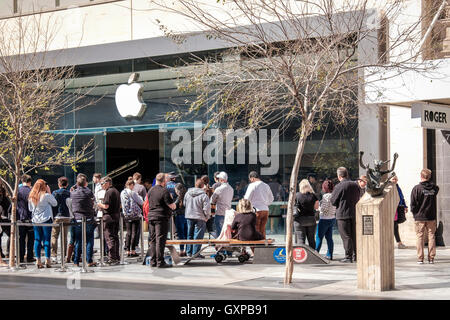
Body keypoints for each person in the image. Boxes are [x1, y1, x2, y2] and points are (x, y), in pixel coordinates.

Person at [330, 167, 361, 263]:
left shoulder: (339, 186)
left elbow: (333, 201)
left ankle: (348, 256)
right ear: (347, 174)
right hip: (354, 212)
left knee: (346, 236)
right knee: (354, 235)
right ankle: (356, 256)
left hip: (343, 214)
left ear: (339, 176)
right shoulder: (356, 185)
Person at [411, 169, 439, 264]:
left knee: (420, 237)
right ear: (429, 177)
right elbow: (437, 188)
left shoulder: (416, 188)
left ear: (421, 176)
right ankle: (431, 258)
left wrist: (415, 214)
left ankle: (420, 258)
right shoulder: (434, 188)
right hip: (431, 217)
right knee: (431, 236)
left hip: (420, 217)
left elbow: (413, 204)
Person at [147, 173, 176, 268]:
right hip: (161, 217)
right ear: (164, 181)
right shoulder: (164, 191)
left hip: (151, 216)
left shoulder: (150, 190)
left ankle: (153, 261)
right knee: (160, 240)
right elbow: (172, 206)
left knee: (153, 240)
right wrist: (173, 200)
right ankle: (160, 261)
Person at [28, 179, 57, 268]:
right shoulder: (46, 195)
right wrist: (49, 192)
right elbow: (55, 203)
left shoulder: (31, 196)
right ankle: (47, 260)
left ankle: (38, 260)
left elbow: (30, 209)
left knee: (37, 240)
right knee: (46, 240)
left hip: (35, 220)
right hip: (46, 219)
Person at [70, 174, 97, 267]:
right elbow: (93, 203)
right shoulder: (89, 192)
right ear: (85, 183)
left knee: (78, 241)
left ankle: (76, 261)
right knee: (89, 240)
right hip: (88, 218)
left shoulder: (73, 193)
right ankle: (89, 260)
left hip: (77, 218)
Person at [184, 178, 211, 258]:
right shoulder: (204, 195)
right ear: (203, 186)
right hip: (200, 217)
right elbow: (206, 209)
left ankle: (189, 252)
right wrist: (207, 217)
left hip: (189, 216)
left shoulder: (187, 193)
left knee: (189, 235)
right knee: (198, 236)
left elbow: (185, 204)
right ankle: (195, 253)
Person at [97, 176, 121, 265]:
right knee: (115, 237)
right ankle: (116, 256)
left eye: (102, 184)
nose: (101, 186)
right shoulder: (116, 191)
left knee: (109, 237)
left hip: (109, 217)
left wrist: (99, 204)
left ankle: (112, 257)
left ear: (107, 183)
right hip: (116, 216)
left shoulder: (109, 192)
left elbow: (106, 206)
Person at [244, 171, 274, 239]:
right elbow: (272, 198)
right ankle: (263, 246)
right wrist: (266, 204)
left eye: (250, 180)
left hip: (256, 210)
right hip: (265, 210)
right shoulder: (266, 185)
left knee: (255, 229)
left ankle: (256, 248)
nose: (250, 181)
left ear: (253, 178)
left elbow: (246, 198)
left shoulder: (252, 185)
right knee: (262, 229)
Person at [120, 177, 144, 257]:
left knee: (128, 233)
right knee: (134, 233)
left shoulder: (122, 193)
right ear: (130, 185)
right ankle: (133, 250)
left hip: (126, 215)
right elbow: (141, 202)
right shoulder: (133, 193)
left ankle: (127, 250)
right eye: (133, 185)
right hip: (134, 215)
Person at [50, 176, 71, 263]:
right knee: (64, 237)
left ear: (59, 184)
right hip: (66, 217)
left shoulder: (55, 193)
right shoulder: (69, 193)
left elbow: (52, 205)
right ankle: (64, 255)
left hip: (57, 216)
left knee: (54, 236)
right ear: (67, 184)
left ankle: (54, 255)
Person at [293, 179, 319, 249]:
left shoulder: (297, 195)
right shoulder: (313, 196)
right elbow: (316, 207)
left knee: (300, 240)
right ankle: (313, 257)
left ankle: (301, 258)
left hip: (299, 220)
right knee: (311, 240)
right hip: (311, 220)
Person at [315, 180, 336, 260]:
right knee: (329, 238)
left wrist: (318, 208)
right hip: (332, 218)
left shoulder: (326, 196)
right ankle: (330, 254)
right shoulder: (334, 195)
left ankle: (316, 253)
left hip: (324, 219)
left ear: (324, 188)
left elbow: (324, 209)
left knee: (319, 237)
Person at [210, 172, 234, 238]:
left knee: (219, 232)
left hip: (219, 213)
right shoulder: (231, 189)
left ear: (221, 179)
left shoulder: (219, 189)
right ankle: (225, 247)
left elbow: (212, 200)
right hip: (228, 213)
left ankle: (221, 247)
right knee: (226, 232)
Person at [390, 175, 408, 249]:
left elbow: (402, 197)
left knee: (395, 225)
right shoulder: (389, 188)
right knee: (394, 226)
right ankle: (398, 243)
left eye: (396, 179)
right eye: (393, 179)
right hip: (393, 209)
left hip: (398, 208)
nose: (395, 180)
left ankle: (399, 243)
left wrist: (405, 206)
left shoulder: (397, 187)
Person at [132, 172, 146, 252]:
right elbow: (145, 199)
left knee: (130, 230)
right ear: (139, 179)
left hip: (129, 212)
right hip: (138, 211)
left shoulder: (128, 186)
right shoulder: (141, 187)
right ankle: (136, 245)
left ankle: (129, 246)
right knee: (137, 230)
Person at [174, 183, 187, 256]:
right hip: (187, 216)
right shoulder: (186, 196)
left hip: (179, 217)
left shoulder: (179, 198)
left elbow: (174, 206)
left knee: (181, 235)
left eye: (175, 190)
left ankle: (181, 250)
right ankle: (187, 250)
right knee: (186, 234)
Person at [0, 183, 11, 261]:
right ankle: (6, 253)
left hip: (5, 217)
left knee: (10, 235)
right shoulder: (2, 197)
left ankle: (6, 253)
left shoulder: (4, 196)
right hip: (3, 218)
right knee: (11, 234)